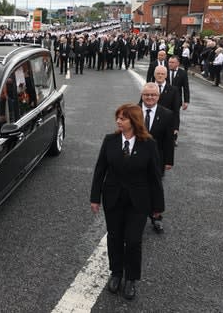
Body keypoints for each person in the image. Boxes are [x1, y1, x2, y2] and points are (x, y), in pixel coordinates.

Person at [90, 103, 164, 301]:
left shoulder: (149, 144)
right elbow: (100, 170)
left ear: (134, 121)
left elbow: (155, 176)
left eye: (123, 118)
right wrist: (95, 197)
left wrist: (158, 206)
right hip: (113, 198)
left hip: (139, 201)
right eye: (118, 118)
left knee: (133, 240)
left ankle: (131, 279)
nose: (118, 121)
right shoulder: (110, 140)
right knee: (114, 237)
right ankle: (116, 274)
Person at [140, 82, 174, 234]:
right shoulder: (133, 111)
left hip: (157, 158)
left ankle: (156, 217)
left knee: (155, 187)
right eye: (147, 95)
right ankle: (137, 215)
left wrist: (168, 161)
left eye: (153, 95)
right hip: (136, 158)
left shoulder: (166, 114)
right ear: (142, 96)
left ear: (158, 97)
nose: (149, 97)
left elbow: (168, 140)